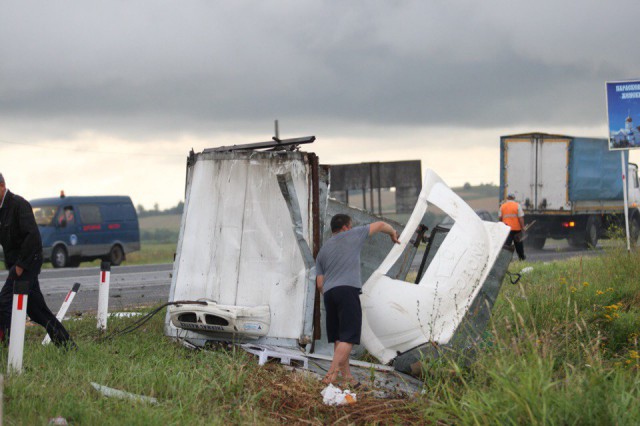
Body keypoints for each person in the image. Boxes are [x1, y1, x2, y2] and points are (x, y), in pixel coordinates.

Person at [315, 214, 399, 387]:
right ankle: (331, 375)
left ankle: (348, 379)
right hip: (347, 291)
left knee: (339, 338)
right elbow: (381, 224)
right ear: (346, 227)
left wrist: (332, 293)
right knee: (349, 336)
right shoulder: (353, 234)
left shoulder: (323, 251)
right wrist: (393, 234)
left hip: (329, 294)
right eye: (350, 226)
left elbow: (319, 283)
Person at [0, 173, 75, 347]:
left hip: (27, 264)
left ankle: (8, 347)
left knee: (4, 303)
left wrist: (20, 265)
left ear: (2, 187)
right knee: (36, 311)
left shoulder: (19, 205)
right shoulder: (1, 211)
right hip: (16, 264)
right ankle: (67, 345)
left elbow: (32, 237)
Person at [499, 193, 526, 261]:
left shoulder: (502, 206)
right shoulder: (517, 205)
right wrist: (523, 227)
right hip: (517, 229)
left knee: (507, 246)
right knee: (519, 245)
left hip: (507, 230)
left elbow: (500, 218)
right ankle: (521, 258)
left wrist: (502, 227)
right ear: (514, 198)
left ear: (507, 198)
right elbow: (521, 218)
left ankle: (506, 260)